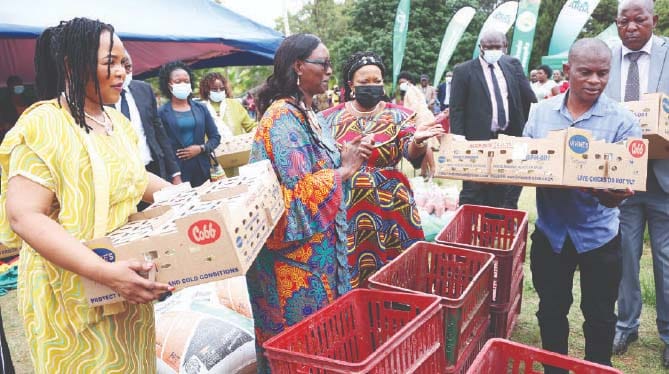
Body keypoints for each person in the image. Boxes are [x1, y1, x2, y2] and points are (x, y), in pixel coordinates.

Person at [0, 18, 175, 373]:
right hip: (69, 293)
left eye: (124, 63)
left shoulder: (117, 123)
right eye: (109, 62)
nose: (121, 72)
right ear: (71, 64)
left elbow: (132, 177)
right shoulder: (44, 123)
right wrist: (102, 272)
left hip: (122, 283)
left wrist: (187, 198)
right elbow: (24, 215)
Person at [244, 33, 373, 373]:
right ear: (299, 66)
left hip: (318, 254)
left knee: (322, 342)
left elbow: (316, 168)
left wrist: (342, 157)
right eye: (323, 63)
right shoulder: (281, 119)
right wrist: (343, 171)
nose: (330, 70)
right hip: (293, 265)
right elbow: (291, 198)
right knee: (299, 349)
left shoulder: (306, 112)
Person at [525, 38, 641, 373]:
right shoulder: (541, 114)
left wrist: (612, 194)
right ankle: (555, 368)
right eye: (585, 72)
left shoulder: (622, 121)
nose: (594, 80)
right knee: (550, 309)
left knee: (601, 315)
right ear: (567, 71)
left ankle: (597, 367)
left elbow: (625, 179)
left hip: (599, 236)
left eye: (602, 73)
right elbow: (524, 161)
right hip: (551, 233)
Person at [318, 51, 444, 288]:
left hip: (392, 207)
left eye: (377, 81)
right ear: (351, 85)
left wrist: (418, 142)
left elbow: (410, 151)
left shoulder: (400, 116)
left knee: (397, 271)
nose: (372, 86)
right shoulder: (327, 119)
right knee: (350, 269)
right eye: (364, 82)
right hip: (348, 208)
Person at [604, 0, 669, 365]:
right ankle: (625, 327)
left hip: (664, 174)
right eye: (623, 20)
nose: (630, 26)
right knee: (624, 256)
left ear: (653, 20)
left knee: (666, 258)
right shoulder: (607, 57)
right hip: (621, 176)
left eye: (638, 19)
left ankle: (668, 333)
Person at [449, 30, 536, 209]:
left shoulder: (513, 65)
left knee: (506, 188)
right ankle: (469, 226)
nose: (492, 51)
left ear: (504, 47)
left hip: (509, 137)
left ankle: (499, 224)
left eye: (496, 47)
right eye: (487, 47)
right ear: (481, 47)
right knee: (473, 189)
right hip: (478, 139)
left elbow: (528, 97)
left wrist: (529, 128)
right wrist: (458, 137)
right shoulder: (463, 70)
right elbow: (457, 107)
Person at [116, 52, 181, 187]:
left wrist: (175, 172)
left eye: (128, 67)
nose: (124, 72)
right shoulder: (100, 96)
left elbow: (158, 131)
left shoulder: (144, 89)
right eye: (120, 67)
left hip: (152, 166)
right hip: (124, 175)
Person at [158, 61, 221, 187]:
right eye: (178, 81)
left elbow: (215, 137)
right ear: (168, 85)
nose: (183, 84)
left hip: (203, 168)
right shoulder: (161, 113)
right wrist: (174, 175)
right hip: (178, 173)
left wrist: (201, 148)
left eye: (186, 81)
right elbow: (162, 147)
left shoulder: (201, 108)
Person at [198, 72, 256, 138]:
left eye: (222, 88)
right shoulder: (200, 109)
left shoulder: (235, 104)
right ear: (206, 90)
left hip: (237, 147)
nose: (219, 91)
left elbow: (250, 126)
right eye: (214, 89)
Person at [0, 75, 36, 141]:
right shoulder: (4, 105)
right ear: (10, 88)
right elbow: (3, 123)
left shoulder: (30, 101)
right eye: (16, 85)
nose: (19, 87)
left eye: (20, 84)